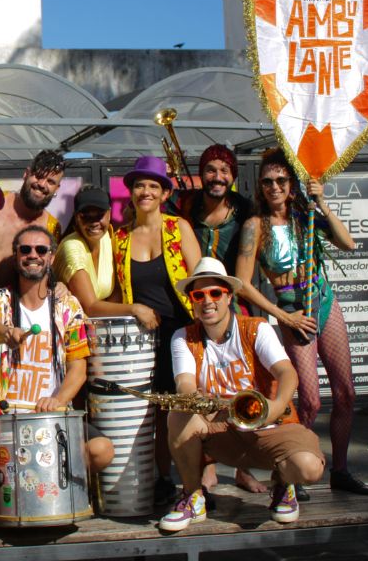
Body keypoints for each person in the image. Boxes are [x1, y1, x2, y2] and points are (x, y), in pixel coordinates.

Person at [234, 148, 368, 497]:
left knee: (346, 393)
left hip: (323, 301)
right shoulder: (255, 226)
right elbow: (242, 283)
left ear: (292, 185)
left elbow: (348, 242)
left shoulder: (305, 216)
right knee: (309, 401)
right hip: (292, 312)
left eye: (281, 180)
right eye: (267, 181)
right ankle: (293, 470)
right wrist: (282, 316)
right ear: (260, 187)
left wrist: (322, 203)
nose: (274, 187)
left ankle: (340, 470)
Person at [160, 258, 325, 531]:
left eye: (215, 293)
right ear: (192, 301)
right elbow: (184, 383)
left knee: (309, 468)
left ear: (229, 297)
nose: (207, 301)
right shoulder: (183, 336)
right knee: (178, 414)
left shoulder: (257, 328)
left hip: (267, 424)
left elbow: (287, 373)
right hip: (220, 425)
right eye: (198, 295)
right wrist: (195, 400)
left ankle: (284, 484)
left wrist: (275, 407)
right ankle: (193, 496)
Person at [0, 225, 114, 491]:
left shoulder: (68, 306)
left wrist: (58, 400)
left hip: (52, 416)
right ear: (16, 256)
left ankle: (53, 483)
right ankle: (5, 488)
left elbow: (78, 369)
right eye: (25, 249)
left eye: (41, 250)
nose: (33, 255)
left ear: (51, 257)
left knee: (102, 450)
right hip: (3, 415)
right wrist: (6, 333)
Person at [165, 144, 265, 494]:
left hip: (233, 303)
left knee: (243, 383)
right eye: (210, 170)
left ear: (233, 176)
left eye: (224, 171)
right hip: (196, 303)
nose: (217, 177)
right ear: (201, 174)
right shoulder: (185, 204)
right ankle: (207, 464)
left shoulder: (246, 211)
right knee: (203, 382)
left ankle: (243, 467)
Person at [112, 156, 201, 501]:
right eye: (139, 185)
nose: (145, 191)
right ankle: (164, 479)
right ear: (131, 192)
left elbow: (199, 279)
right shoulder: (119, 238)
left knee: (186, 406)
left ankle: (199, 482)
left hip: (183, 333)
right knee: (154, 411)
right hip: (141, 340)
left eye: (153, 185)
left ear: (165, 194)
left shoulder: (179, 228)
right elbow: (115, 291)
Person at [54, 185, 153, 322]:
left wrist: (107, 322)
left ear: (109, 214)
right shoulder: (71, 247)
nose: (94, 223)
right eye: (86, 217)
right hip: (70, 327)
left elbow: (116, 290)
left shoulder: (108, 237)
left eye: (99, 215)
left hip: (98, 326)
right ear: (77, 218)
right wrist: (135, 309)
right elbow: (90, 307)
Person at [0, 149, 66, 288]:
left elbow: (49, 275)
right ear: (26, 174)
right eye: (38, 176)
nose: (42, 184)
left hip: (13, 302)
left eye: (50, 181)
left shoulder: (52, 227)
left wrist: (61, 286)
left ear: (57, 188)